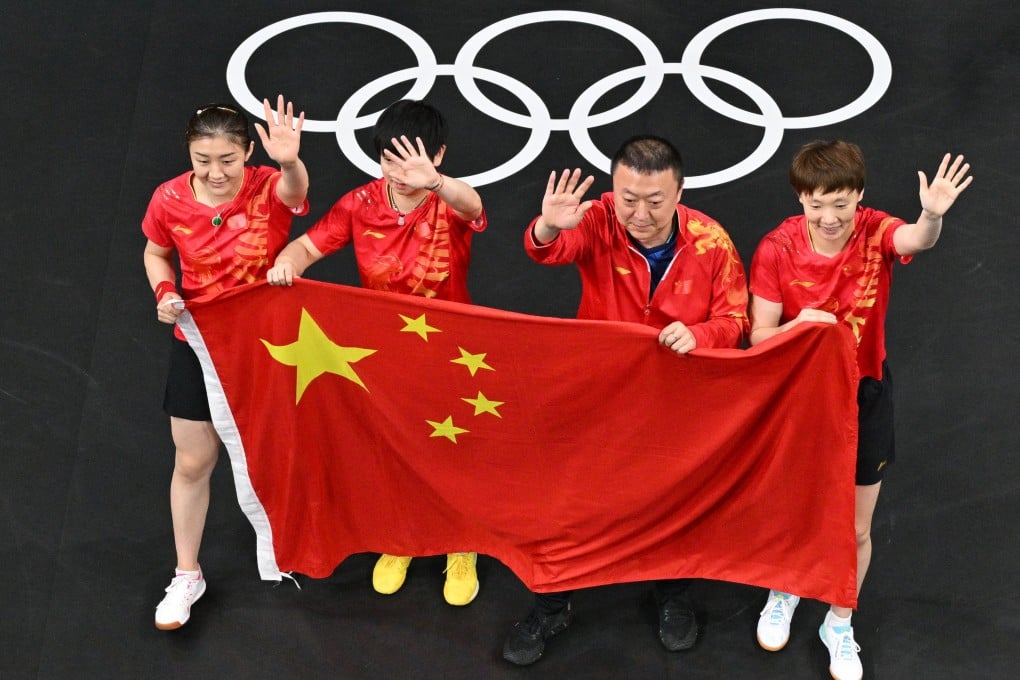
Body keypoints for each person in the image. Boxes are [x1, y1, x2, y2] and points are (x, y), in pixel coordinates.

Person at [502, 135, 749, 665]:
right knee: (567, 502)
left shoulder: (713, 242)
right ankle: (552, 604)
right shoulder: (597, 219)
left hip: (676, 400)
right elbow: (547, 249)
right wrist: (547, 225)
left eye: (654, 201)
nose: (638, 212)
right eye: (627, 197)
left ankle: (672, 595)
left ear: (679, 192)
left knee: (673, 500)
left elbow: (736, 319)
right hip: (597, 392)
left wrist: (702, 336)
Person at [748, 141, 972, 680]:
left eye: (842, 204)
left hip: (864, 392)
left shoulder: (875, 230)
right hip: (799, 397)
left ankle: (839, 619)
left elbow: (916, 239)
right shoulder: (776, 249)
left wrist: (931, 215)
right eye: (817, 204)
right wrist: (799, 328)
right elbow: (758, 336)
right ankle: (785, 590)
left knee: (855, 526)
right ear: (801, 198)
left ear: (860, 197)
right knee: (796, 511)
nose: (830, 218)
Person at [266, 99, 487, 606]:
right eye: (390, 161)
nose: (400, 173)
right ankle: (401, 538)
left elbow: (473, 206)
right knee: (395, 447)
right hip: (386, 351)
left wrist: (433, 181)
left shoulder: (446, 199)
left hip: (452, 352)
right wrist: (286, 261)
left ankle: (461, 542)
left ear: (438, 156)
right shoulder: (359, 204)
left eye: (412, 161)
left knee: (454, 448)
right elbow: (308, 247)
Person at [142, 96, 309, 630]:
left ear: (248, 153)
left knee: (281, 447)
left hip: (270, 343)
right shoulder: (168, 198)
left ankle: (301, 542)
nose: (215, 172)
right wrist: (164, 291)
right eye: (202, 159)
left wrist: (288, 161)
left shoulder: (267, 185)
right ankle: (188, 573)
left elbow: (296, 193)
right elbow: (155, 251)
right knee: (192, 460)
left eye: (227, 160)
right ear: (190, 155)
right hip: (201, 342)